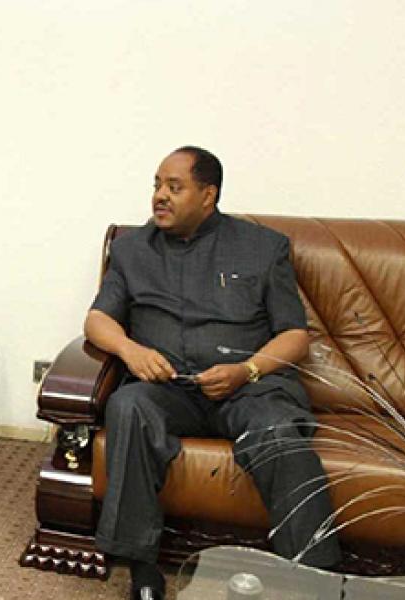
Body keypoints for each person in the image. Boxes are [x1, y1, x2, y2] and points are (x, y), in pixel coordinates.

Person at [84, 146, 341, 600]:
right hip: (169, 389)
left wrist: (246, 370)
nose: (160, 196)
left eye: (174, 187)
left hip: (248, 389)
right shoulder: (131, 249)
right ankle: (142, 568)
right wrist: (130, 350)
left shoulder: (263, 248)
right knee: (128, 406)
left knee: (277, 430)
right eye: (157, 185)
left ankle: (316, 574)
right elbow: (97, 320)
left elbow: (294, 336)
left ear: (208, 195)